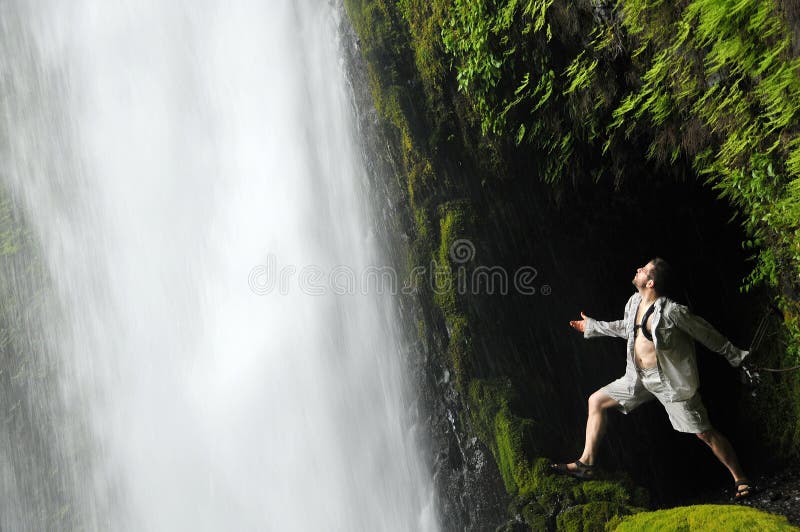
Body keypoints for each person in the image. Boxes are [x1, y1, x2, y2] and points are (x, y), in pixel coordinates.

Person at [551, 258, 753, 500]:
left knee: (704, 433)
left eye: (644, 269)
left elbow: (706, 333)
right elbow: (626, 328)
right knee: (596, 401)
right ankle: (587, 463)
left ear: (651, 281)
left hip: (668, 382)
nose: (638, 269)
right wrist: (593, 326)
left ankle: (740, 479)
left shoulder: (673, 312)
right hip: (637, 378)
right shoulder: (634, 302)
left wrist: (737, 356)